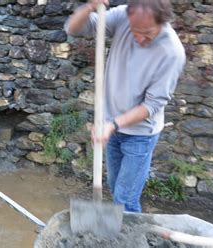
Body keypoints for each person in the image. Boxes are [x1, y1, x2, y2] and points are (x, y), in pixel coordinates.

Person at [65, 0, 185, 212]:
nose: (139, 39)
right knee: (114, 188)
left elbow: (152, 105)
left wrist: (113, 124)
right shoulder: (122, 16)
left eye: (147, 33)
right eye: (134, 31)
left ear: (162, 22)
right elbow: (73, 29)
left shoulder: (171, 52)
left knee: (125, 199)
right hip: (110, 125)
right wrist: (89, 7)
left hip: (140, 134)